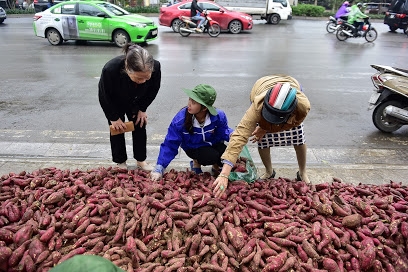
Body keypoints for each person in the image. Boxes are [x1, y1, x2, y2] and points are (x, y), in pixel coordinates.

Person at [212, 75, 311, 198]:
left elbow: (294, 123)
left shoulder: (302, 107)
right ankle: (269, 171)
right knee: (262, 139)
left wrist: (266, 128)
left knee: (298, 138)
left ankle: (302, 172)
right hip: (261, 87)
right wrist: (224, 174)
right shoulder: (257, 105)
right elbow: (239, 136)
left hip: (291, 93)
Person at [150, 84, 234, 181]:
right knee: (210, 156)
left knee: (227, 156)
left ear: (204, 108)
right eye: (190, 99)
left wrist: (231, 134)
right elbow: (170, 143)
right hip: (193, 147)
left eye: (194, 102)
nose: (189, 104)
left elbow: (222, 131)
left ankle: (215, 167)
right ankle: (196, 162)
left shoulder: (218, 116)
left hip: (213, 144)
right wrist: (160, 166)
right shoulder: (180, 121)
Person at [98, 43, 161, 171]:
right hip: (115, 101)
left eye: (146, 78)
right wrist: (113, 117)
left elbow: (154, 89)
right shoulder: (110, 69)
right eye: (138, 78)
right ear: (127, 69)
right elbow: (104, 95)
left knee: (140, 125)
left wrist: (143, 108)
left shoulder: (156, 66)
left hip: (138, 101)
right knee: (117, 129)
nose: (143, 81)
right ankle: (120, 161)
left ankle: (141, 160)